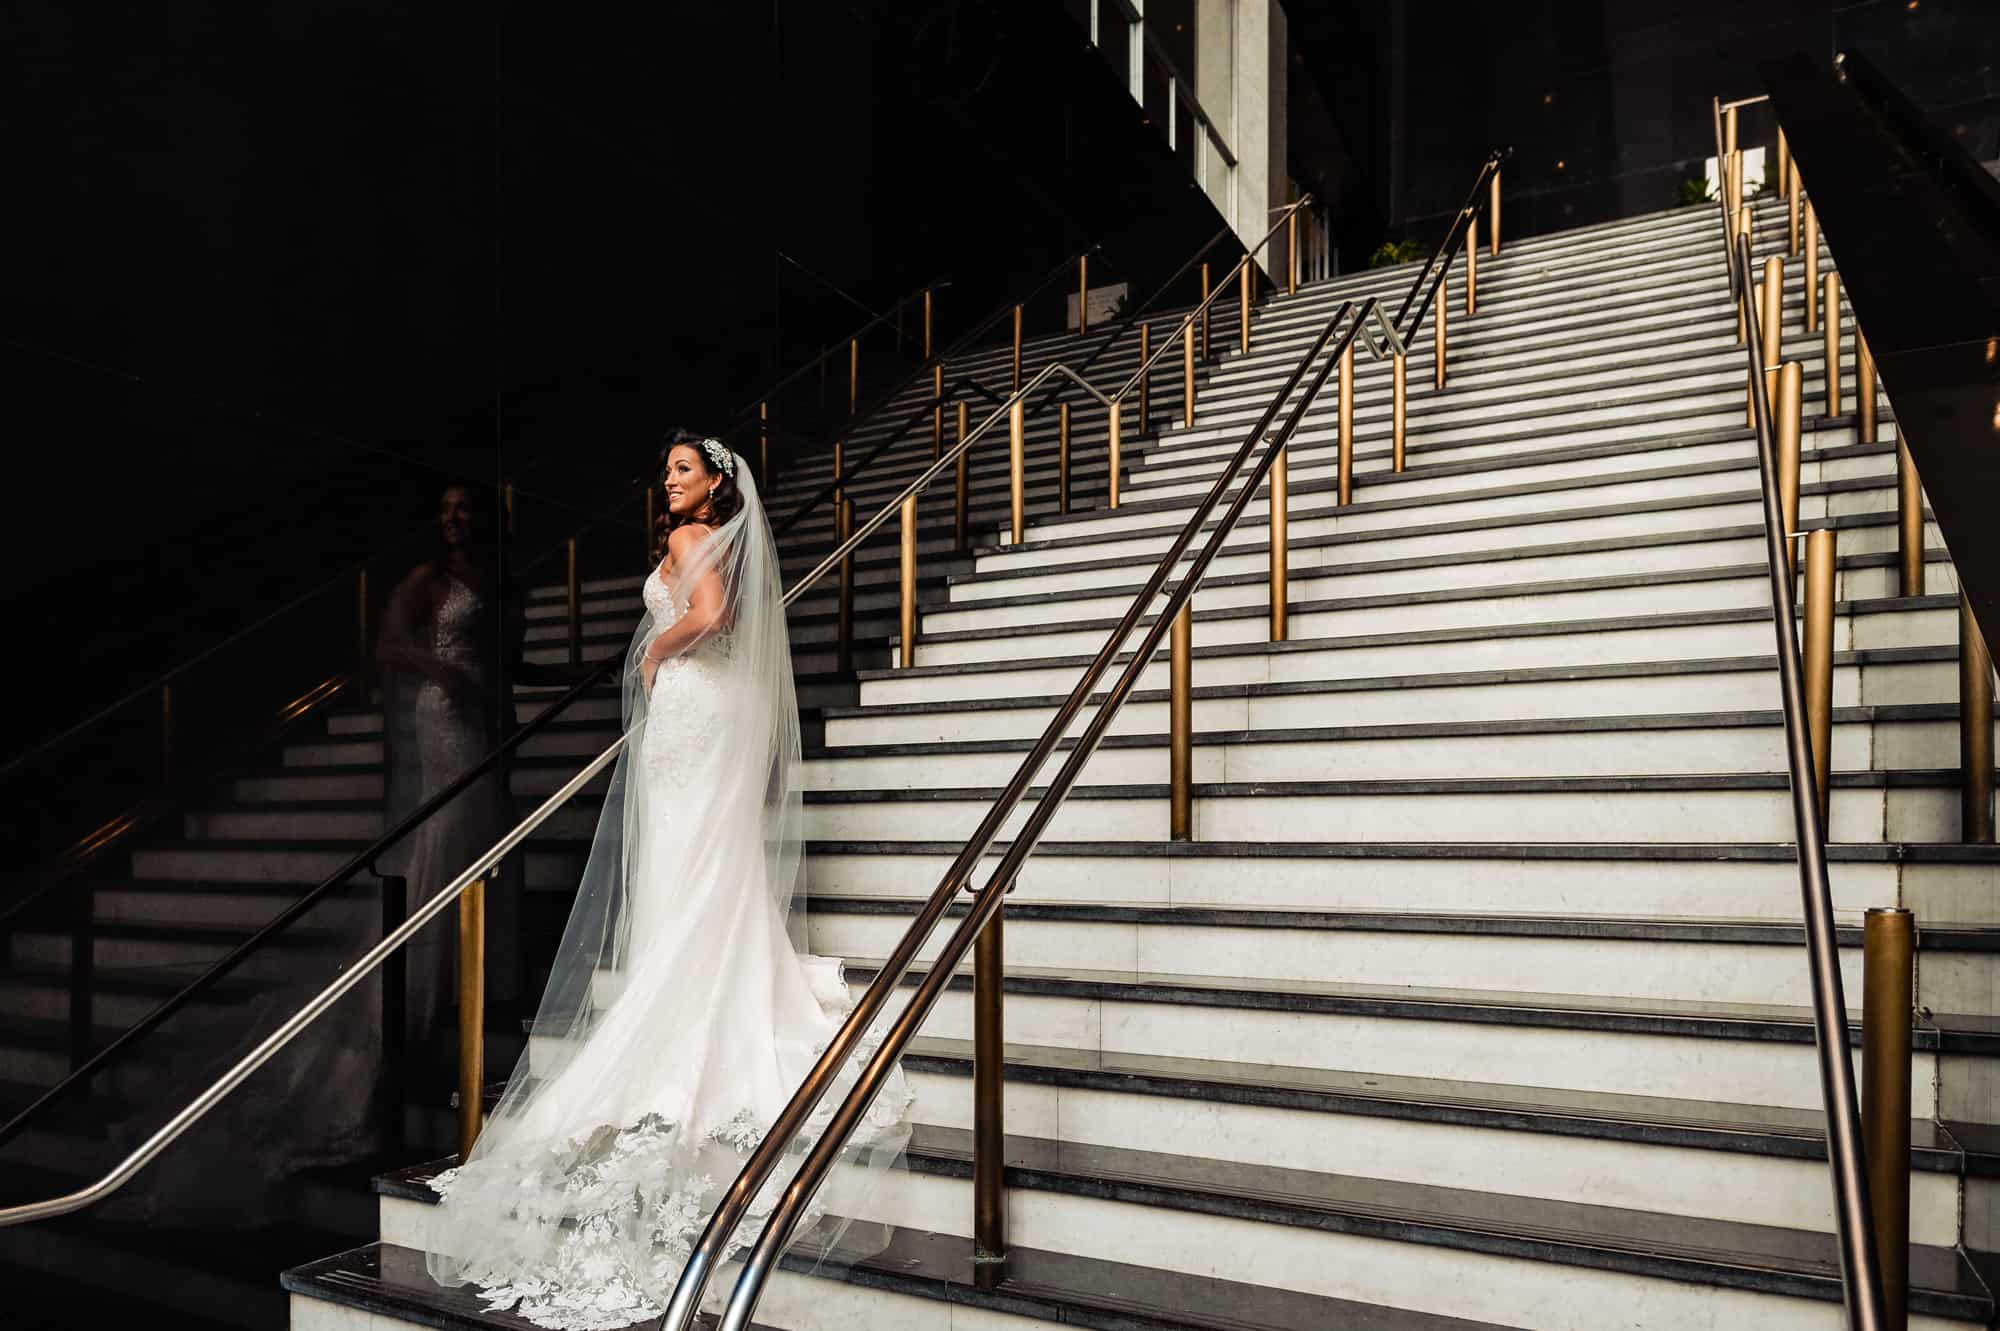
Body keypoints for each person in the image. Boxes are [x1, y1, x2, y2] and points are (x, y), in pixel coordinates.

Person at [422, 434, 910, 1330]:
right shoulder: (705, 540)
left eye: (684, 470)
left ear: (717, 482)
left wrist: (654, 651)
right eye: (666, 472)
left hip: (695, 702)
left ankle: (683, 986)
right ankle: (700, 972)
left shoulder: (695, 547)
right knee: (701, 852)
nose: (670, 483)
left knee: (692, 849)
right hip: (712, 709)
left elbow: (714, 617)